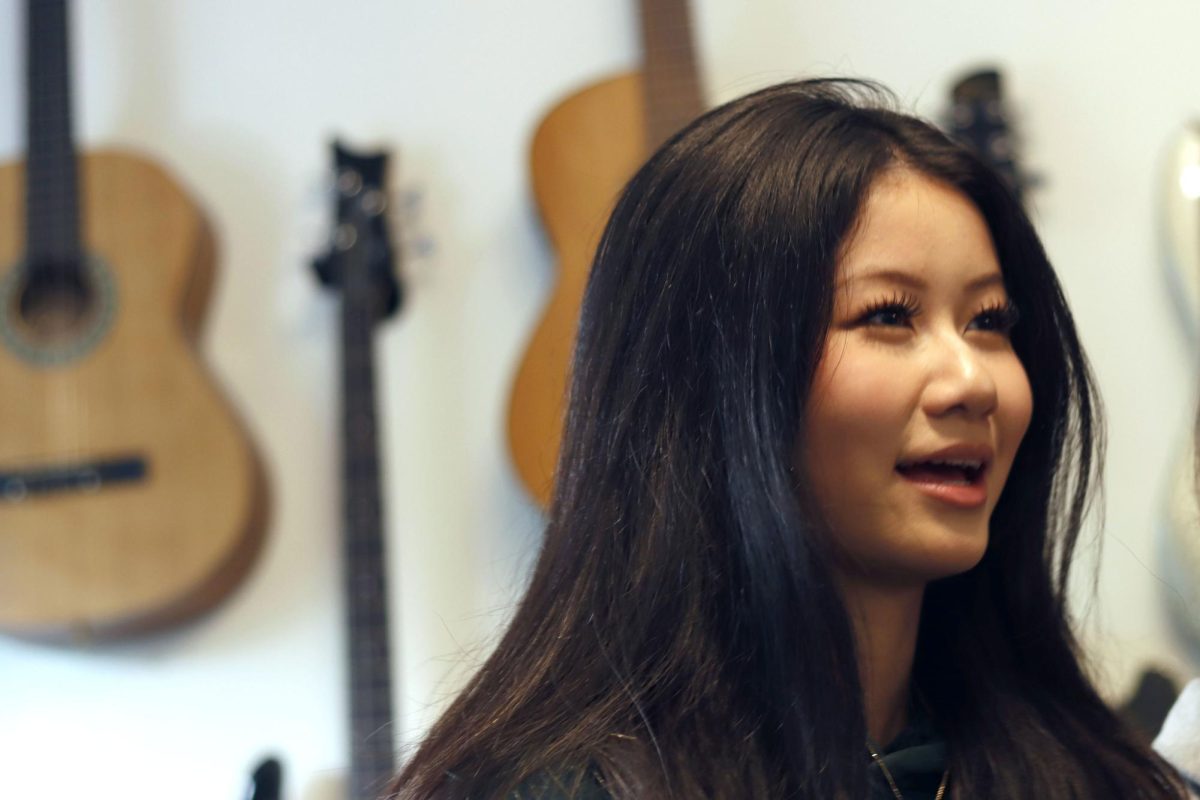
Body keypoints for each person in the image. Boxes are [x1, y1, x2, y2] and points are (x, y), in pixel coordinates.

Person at [391, 79, 1190, 798]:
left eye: (989, 322)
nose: (974, 381)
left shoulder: (1078, 769)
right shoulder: (563, 789)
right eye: (888, 316)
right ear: (710, 381)